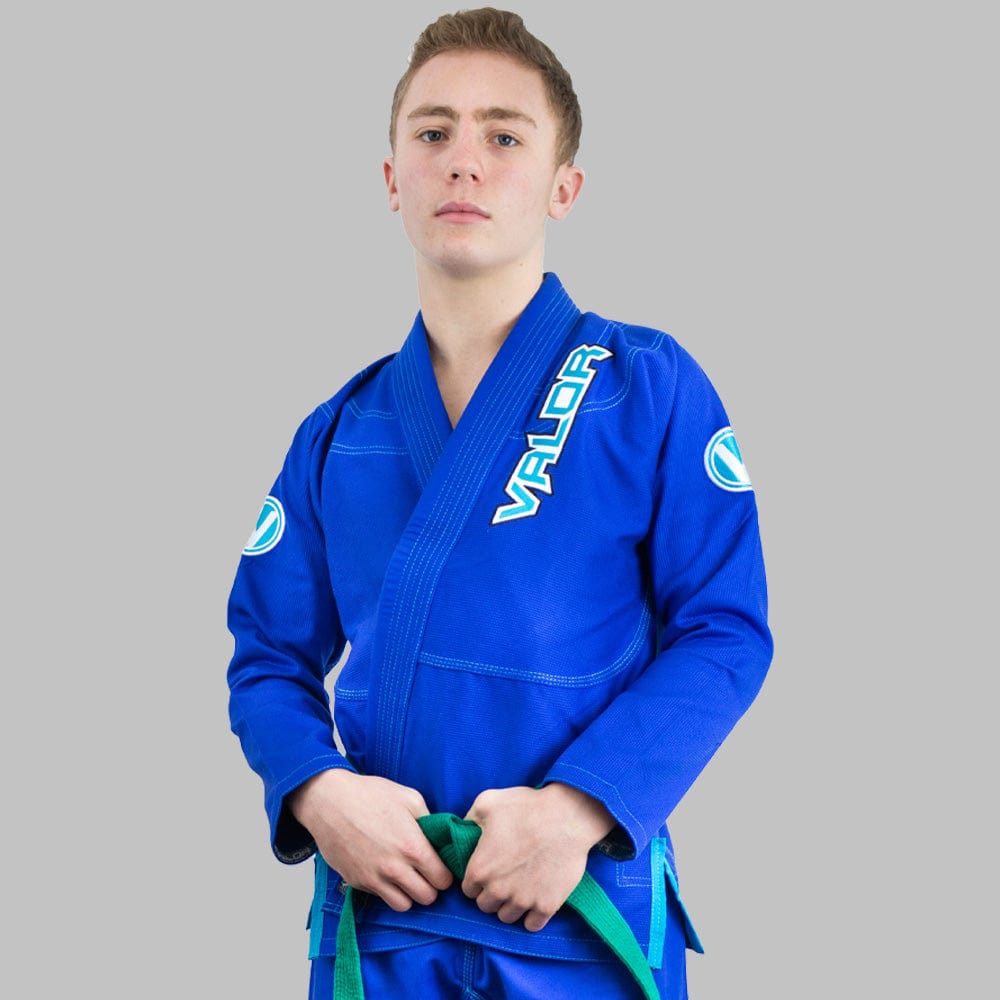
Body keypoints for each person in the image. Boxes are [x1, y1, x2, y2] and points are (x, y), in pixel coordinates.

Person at [226, 8, 773, 999]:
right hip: (388, 920)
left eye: (505, 136)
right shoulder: (337, 433)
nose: (463, 162)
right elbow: (266, 653)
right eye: (432, 132)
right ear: (392, 178)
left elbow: (725, 631)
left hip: (580, 908)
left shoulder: (646, 389)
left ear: (564, 185)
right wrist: (318, 789)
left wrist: (577, 809)